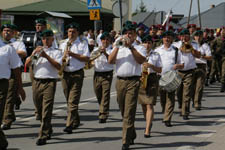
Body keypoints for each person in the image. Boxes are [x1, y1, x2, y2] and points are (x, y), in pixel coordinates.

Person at [108, 23, 146, 150]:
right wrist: (118, 47)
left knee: (129, 111)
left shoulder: (139, 47)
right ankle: (131, 132)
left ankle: (125, 142)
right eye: (127, 33)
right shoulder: (118, 46)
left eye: (131, 33)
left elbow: (141, 60)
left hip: (133, 81)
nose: (129, 35)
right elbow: (110, 61)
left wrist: (131, 48)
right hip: (120, 81)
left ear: (135, 35)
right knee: (124, 111)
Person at [25, 29, 62, 145]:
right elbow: (27, 65)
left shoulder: (56, 51)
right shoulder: (38, 51)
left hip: (49, 82)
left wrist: (46, 56)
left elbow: (58, 66)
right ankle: (48, 128)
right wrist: (33, 54)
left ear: (52, 39)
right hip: (37, 82)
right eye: (44, 38)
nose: (46, 41)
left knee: (47, 109)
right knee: (39, 110)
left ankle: (43, 135)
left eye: (48, 38)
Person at [59, 22, 90, 134]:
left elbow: (86, 58)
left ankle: (69, 124)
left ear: (77, 33)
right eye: (69, 31)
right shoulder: (62, 44)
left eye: (73, 32)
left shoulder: (82, 44)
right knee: (69, 100)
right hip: (65, 74)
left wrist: (72, 54)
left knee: (73, 100)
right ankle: (76, 120)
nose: (71, 33)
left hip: (77, 74)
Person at [0, 24, 26, 150]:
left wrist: (20, 88)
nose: (6, 33)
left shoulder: (10, 47)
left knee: (8, 100)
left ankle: (7, 119)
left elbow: (16, 68)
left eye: (9, 31)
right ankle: (2, 142)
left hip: (5, 81)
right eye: (4, 31)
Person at [155, 31, 184, 127]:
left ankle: (167, 118)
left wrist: (178, 66)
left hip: (172, 77)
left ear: (171, 39)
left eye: (168, 37)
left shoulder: (176, 50)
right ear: (162, 39)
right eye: (165, 37)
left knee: (170, 98)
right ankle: (165, 111)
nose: (167, 39)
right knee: (162, 98)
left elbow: (182, 65)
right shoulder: (158, 50)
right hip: (160, 77)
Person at [173, 29, 201, 120]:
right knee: (179, 92)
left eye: (185, 35)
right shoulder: (175, 44)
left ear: (189, 36)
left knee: (187, 92)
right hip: (178, 71)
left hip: (189, 71)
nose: (183, 37)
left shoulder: (195, 44)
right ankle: (181, 106)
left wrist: (191, 48)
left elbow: (198, 56)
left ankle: (185, 112)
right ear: (179, 36)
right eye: (182, 36)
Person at [138, 35, 162, 137]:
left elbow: (160, 70)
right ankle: (149, 120)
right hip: (141, 78)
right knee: (143, 105)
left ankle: (147, 129)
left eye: (149, 43)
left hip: (152, 78)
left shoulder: (156, 55)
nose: (147, 45)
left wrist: (151, 66)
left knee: (149, 104)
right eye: (145, 42)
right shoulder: (138, 54)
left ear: (152, 44)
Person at [92, 32, 114, 123]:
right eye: (103, 39)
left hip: (107, 74)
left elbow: (112, 61)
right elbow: (91, 59)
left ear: (110, 40)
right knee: (98, 94)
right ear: (101, 40)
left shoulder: (112, 50)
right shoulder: (96, 49)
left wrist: (105, 53)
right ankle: (103, 108)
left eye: (107, 39)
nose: (105, 41)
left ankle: (103, 114)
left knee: (105, 94)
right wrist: (91, 62)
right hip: (97, 73)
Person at [192, 30, 212, 110]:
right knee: (192, 87)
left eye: (200, 36)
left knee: (199, 86)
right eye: (197, 36)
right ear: (194, 37)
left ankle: (197, 103)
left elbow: (210, 57)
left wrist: (201, 56)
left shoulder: (205, 45)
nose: (198, 37)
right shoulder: (191, 45)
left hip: (201, 66)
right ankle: (193, 100)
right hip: (192, 66)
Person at [210, 27, 225, 92]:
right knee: (219, 71)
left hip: (224, 57)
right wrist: (213, 52)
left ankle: (223, 85)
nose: (223, 33)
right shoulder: (217, 39)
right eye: (223, 32)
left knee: (224, 71)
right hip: (218, 57)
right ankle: (219, 79)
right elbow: (211, 46)